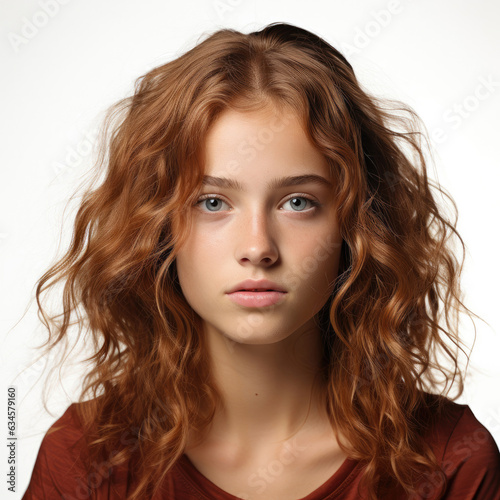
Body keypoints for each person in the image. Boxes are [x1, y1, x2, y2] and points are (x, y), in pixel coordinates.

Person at [22, 22, 500, 500]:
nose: (258, 247)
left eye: (297, 202)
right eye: (212, 202)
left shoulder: (448, 460)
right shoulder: (84, 459)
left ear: (357, 226)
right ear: (159, 228)